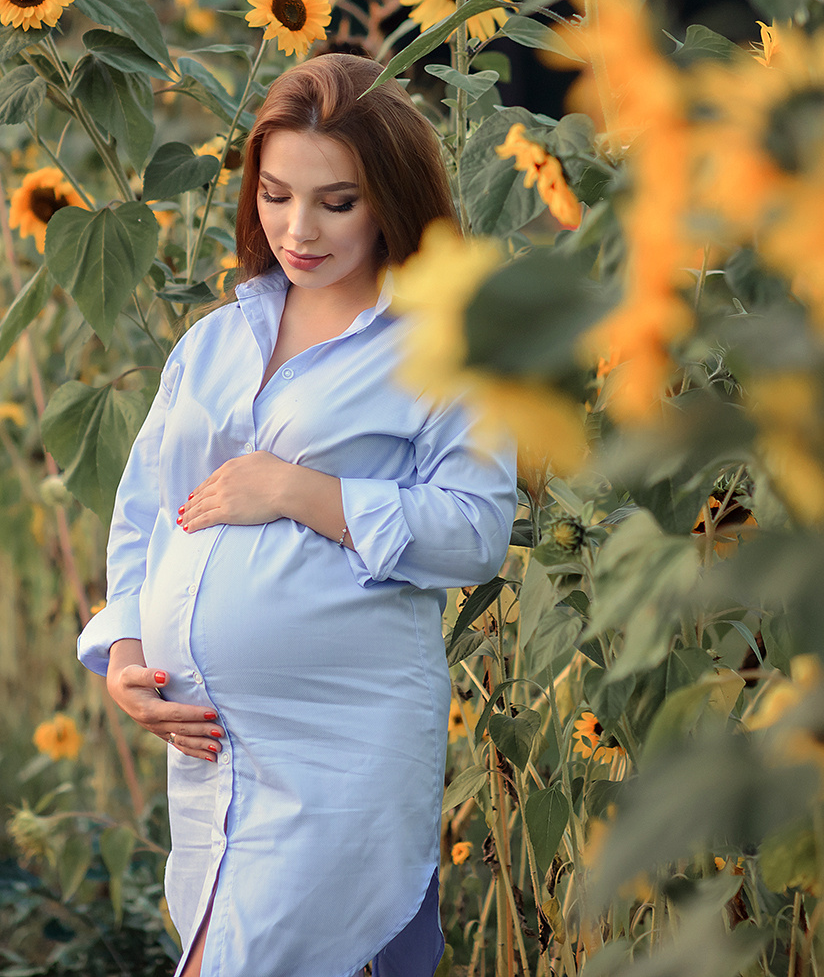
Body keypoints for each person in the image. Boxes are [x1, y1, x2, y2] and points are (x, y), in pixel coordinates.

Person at [76, 53, 517, 977]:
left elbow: (475, 530)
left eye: (336, 202)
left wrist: (296, 491)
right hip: (214, 750)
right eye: (276, 194)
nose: (297, 229)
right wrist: (123, 648)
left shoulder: (443, 345)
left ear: (392, 198)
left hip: (342, 741)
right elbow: (145, 510)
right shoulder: (214, 340)